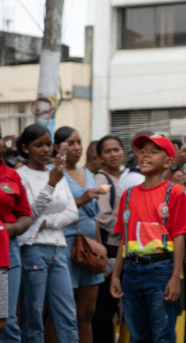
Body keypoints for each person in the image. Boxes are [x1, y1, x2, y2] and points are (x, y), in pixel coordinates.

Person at [109, 134, 186, 343]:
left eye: (154, 152)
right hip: (131, 271)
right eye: (142, 151)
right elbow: (124, 239)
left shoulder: (174, 192)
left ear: (167, 162)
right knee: (137, 336)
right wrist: (116, 275)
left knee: (162, 334)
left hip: (160, 271)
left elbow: (180, 236)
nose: (145, 155)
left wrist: (175, 278)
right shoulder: (129, 195)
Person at [16, 123, 80, 343]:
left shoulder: (57, 172)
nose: (45, 150)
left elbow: (72, 212)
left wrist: (48, 222)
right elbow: (29, 213)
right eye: (38, 145)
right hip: (33, 249)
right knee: (33, 316)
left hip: (58, 248)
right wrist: (50, 184)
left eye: (48, 145)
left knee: (67, 314)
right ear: (25, 148)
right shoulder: (20, 176)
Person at [56, 127, 104, 343]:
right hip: (66, 248)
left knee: (86, 313)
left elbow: (95, 217)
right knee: (62, 314)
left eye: (79, 142)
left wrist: (101, 249)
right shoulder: (54, 173)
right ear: (57, 147)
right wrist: (80, 201)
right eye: (70, 143)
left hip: (91, 249)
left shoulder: (89, 174)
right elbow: (47, 210)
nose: (77, 147)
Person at [0, 125, 32, 343]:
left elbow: (25, 216)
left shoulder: (12, 176)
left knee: (7, 320)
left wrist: (5, 230)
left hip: (7, 252)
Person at [92, 135, 124, 343]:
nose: (113, 154)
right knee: (104, 306)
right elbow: (102, 217)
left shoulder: (125, 177)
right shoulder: (101, 180)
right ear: (100, 157)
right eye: (108, 151)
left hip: (123, 248)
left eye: (116, 149)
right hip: (110, 249)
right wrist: (127, 228)